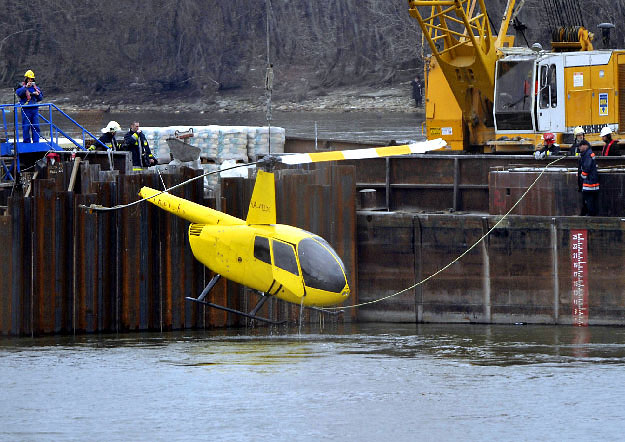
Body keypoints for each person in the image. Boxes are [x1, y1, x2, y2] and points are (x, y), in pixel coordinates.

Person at [15, 69, 43, 143]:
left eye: (31, 79)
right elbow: (19, 94)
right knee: (26, 126)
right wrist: (26, 88)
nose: (30, 81)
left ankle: (36, 141)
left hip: (34, 109)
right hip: (26, 109)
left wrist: (38, 94)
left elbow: (40, 98)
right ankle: (27, 141)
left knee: (36, 126)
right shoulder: (21, 87)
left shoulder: (36, 88)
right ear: (26, 79)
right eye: (29, 79)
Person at [577, 139, 600, 216]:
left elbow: (586, 168)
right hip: (592, 182)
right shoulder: (589, 154)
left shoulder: (587, 155)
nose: (579, 148)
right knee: (591, 201)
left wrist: (581, 177)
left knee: (589, 201)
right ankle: (589, 215)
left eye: (580, 146)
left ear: (585, 146)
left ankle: (590, 216)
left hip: (589, 183)